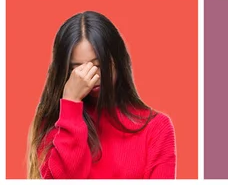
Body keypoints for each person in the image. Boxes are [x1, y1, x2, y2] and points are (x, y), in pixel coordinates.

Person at [27, 11, 176, 178]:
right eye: (77, 68)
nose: (90, 76)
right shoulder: (56, 123)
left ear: (118, 61)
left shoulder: (156, 128)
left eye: (98, 64)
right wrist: (70, 103)